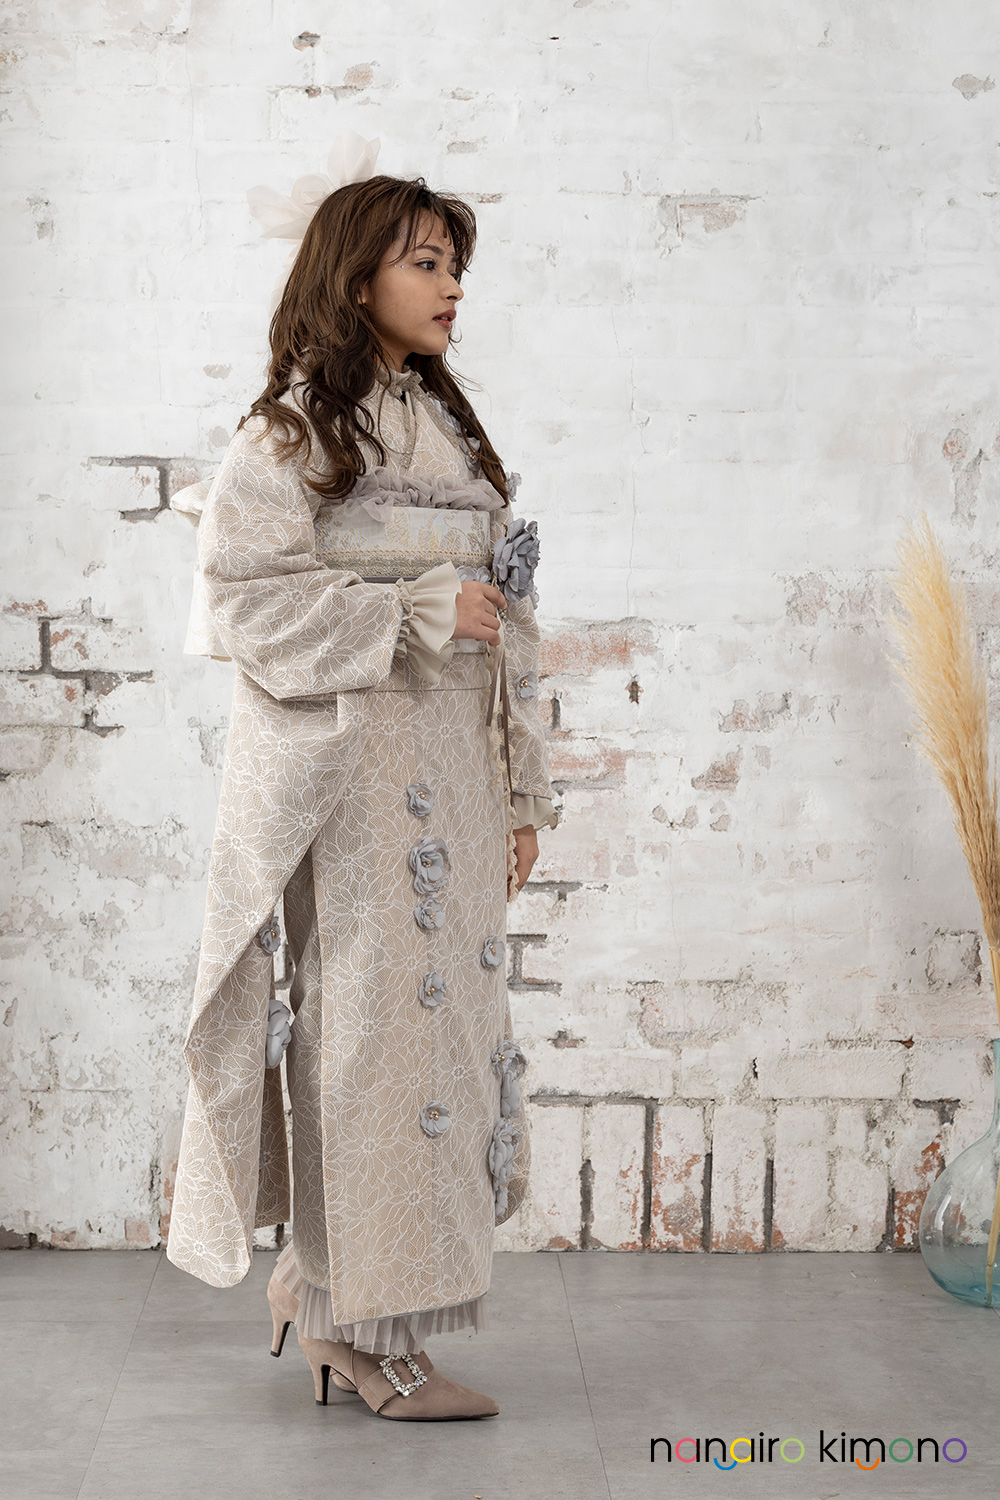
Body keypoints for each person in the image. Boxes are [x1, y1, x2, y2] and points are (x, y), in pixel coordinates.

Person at [165, 150, 556, 1422]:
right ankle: (357, 1331)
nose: (452, 288)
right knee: (374, 1038)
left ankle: (325, 1293)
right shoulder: (289, 436)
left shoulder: (447, 431)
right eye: (425, 263)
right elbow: (242, 600)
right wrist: (413, 610)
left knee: (448, 1039)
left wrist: (521, 795)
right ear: (356, 277)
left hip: (454, 769)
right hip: (356, 779)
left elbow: (508, 624)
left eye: (456, 266)